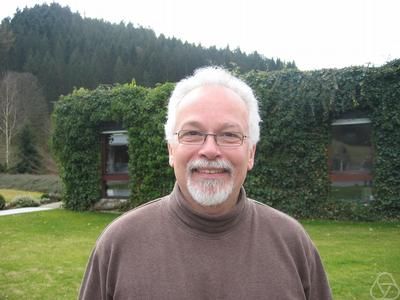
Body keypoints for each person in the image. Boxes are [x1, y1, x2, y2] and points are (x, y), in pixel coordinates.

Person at [79, 67, 332, 299]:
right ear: (171, 150)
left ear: (251, 153)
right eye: (192, 133)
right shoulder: (118, 245)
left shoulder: (293, 244)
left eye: (229, 135)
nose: (210, 150)